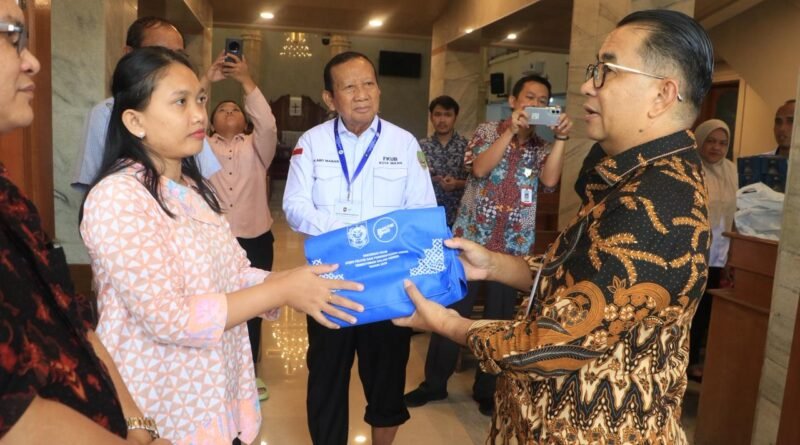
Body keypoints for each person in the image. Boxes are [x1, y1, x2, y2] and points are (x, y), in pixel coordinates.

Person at [395, 9, 713, 443]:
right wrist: (495, 265)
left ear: (662, 94)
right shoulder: (632, 176)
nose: (587, 86)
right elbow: (577, 273)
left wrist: (448, 324)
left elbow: (557, 341)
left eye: (606, 71)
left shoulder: (660, 201)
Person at [79, 47, 364, 444]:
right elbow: (169, 317)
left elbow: (235, 273)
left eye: (199, 99)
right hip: (163, 400)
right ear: (135, 121)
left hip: (214, 385)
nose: (199, 114)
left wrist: (292, 281)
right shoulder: (119, 197)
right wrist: (282, 290)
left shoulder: (191, 189)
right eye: (180, 102)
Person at [0, 1, 168, 443]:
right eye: (11, 36)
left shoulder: (9, 196)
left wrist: (136, 423)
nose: (32, 61)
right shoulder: (113, 192)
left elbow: (69, 316)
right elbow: (13, 415)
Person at [282, 51, 436, 445]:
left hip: (387, 285)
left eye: (369, 84)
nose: (362, 94)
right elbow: (294, 205)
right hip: (329, 285)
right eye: (349, 86)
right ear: (330, 98)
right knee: (326, 380)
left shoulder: (403, 143)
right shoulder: (312, 142)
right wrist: (346, 234)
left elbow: (421, 211)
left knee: (387, 382)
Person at [405, 75, 572, 416]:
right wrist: (510, 131)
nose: (535, 104)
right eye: (529, 97)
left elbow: (550, 181)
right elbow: (480, 169)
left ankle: (486, 389)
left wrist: (561, 140)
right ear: (513, 101)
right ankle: (434, 384)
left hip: (512, 248)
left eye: (543, 100)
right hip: (471, 239)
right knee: (451, 310)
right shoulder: (486, 131)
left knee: (498, 320)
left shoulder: (541, 146)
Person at [71, 16, 221, 192]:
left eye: (179, 54)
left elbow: (206, 175)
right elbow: (91, 184)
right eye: (157, 53)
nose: (172, 61)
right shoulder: (115, 193)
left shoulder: (191, 185)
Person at [207, 51, 278, 399]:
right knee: (215, 304)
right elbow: (185, 117)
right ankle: (217, 371)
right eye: (222, 109)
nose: (229, 112)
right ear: (210, 121)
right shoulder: (201, 148)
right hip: (214, 240)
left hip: (256, 236)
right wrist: (206, 83)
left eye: (235, 109)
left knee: (253, 305)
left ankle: (250, 373)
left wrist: (246, 80)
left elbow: (267, 124)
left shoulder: (257, 147)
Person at [689, 119, 737, 380]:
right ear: (699, 140)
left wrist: (733, 254)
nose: (717, 148)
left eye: (722, 143)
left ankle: (693, 360)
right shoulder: (689, 168)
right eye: (710, 141)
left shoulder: (732, 171)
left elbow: (738, 213)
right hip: (691, 251)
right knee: (688, 308)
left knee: (706, 310)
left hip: (719, 253)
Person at [418, 95, 468, 227]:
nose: (442, 120)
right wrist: (429, 179)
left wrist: (457, 184)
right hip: (429, 215)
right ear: (431, 117)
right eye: (438, 114)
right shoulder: (420, 147)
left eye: (448, 115)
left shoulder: (468, 146)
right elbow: (413, 179)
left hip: (460, 216)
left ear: (455, 117)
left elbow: (477, 182)